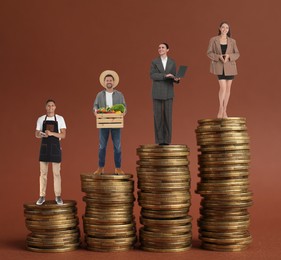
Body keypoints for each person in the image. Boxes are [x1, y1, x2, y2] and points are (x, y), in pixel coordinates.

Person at [93, 70, 126, 175]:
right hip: (103, 123)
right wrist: (95, 111)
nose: (109, 82)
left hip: (116, 123)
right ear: (104, 82)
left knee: (117, 146)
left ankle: (118, 168)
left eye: (110, 80)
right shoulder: (99, 95)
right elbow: (95, 106)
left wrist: (123, 112)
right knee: (102, 146)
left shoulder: (119, 95)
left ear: (113, 82)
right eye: (107, 80)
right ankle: (101, 168)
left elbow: (124, 107)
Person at [35, 99, 66, 205]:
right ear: (46, 107)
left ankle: (58, 196)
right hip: (44, 148)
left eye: (52, 105)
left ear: (55, 107)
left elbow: (63, 135)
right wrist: (43, 134)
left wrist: (52, 133)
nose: (50, 107)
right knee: (43, 173)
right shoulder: (40, 119)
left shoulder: (60, 119)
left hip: (56, 148)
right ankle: (41, 196)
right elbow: (37, 134)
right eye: (48, 105)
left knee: (57, 173)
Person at [207, 21, 240, 118]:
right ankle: (220, 108)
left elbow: (237, 54)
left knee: (228, 88)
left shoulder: (232, 41)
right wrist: (218, 57)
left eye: (227, 28)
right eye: (223, 27)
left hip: (230, 66)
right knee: (223, 87)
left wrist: (229, 56)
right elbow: (209, 53)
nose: (225, 29)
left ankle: (225, 110)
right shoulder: (213, 40)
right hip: (219, 66)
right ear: (219, 28)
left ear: (228, 30)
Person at [150, 43, 180, 145]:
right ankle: (159, 141)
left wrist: (176, 79)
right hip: (157, 92)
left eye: (163, 47)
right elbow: (153, 75)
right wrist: (165, 75)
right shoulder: (154, 62)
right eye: (159, 47)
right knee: (158, 117)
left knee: (168, 117)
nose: (160, 49)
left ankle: (167, 141)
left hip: (168, 91)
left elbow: (174, 76)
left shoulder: (172, 62)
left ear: (168, 49)